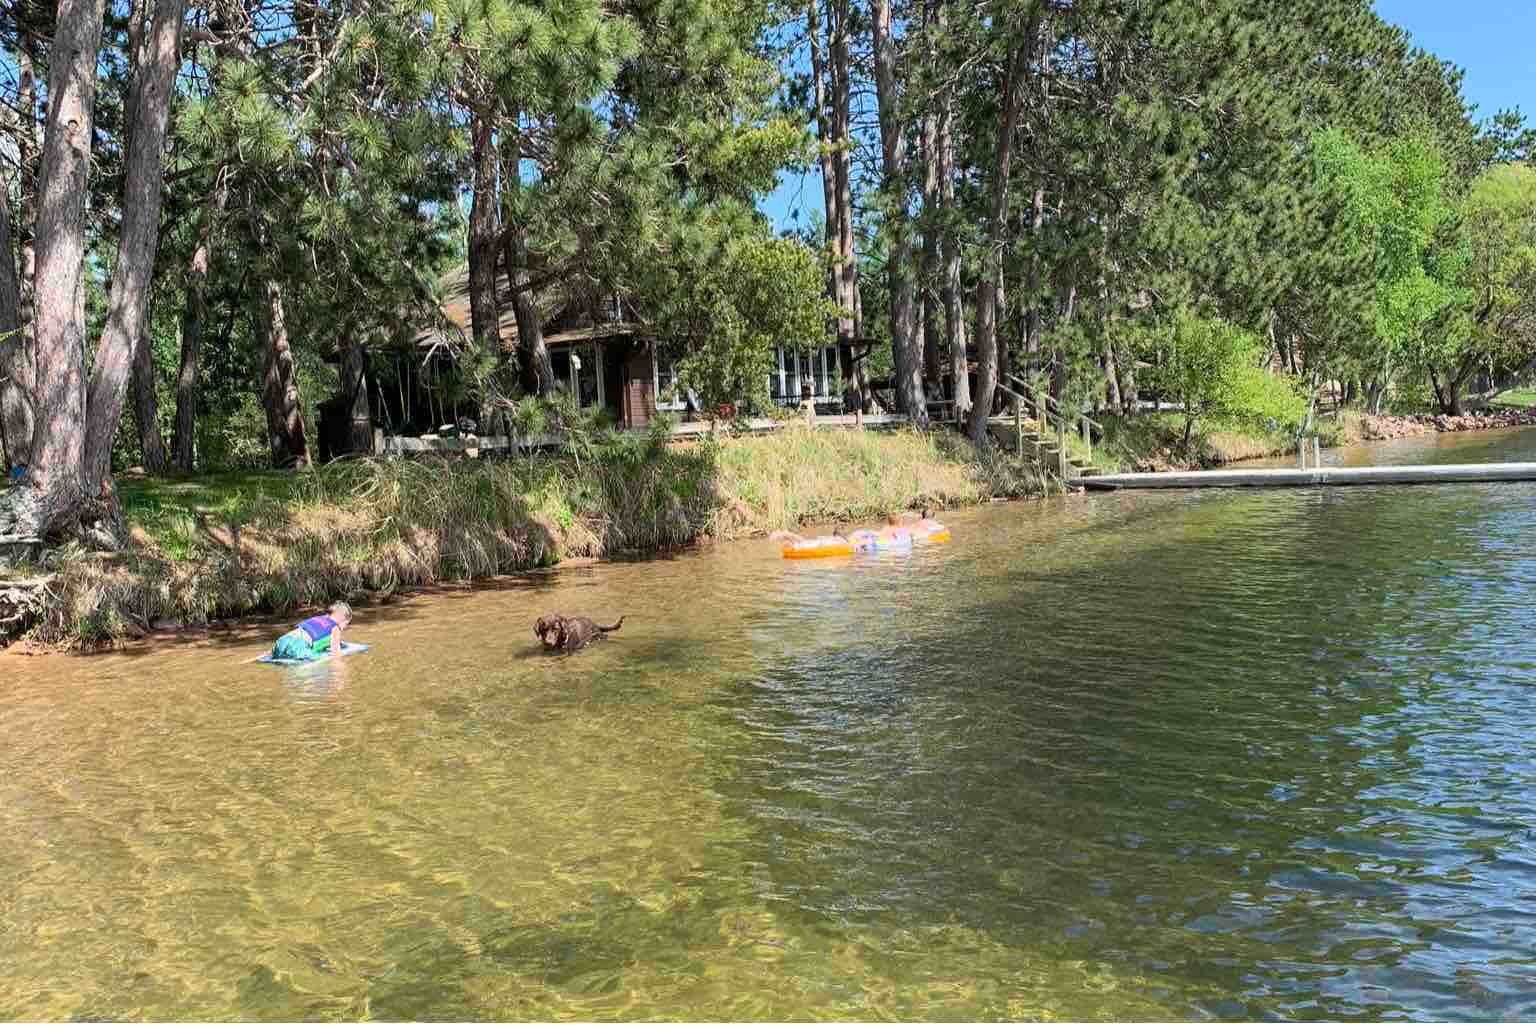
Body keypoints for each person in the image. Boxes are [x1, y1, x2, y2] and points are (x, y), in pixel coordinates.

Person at [271, 602, 352, 661]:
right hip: (298, 646)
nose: (344, 627)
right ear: (343, 620)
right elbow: (336, 654)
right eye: (346, 624)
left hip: (281, 641)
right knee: (318, 663)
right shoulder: (335, 628)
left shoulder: (319, 618)